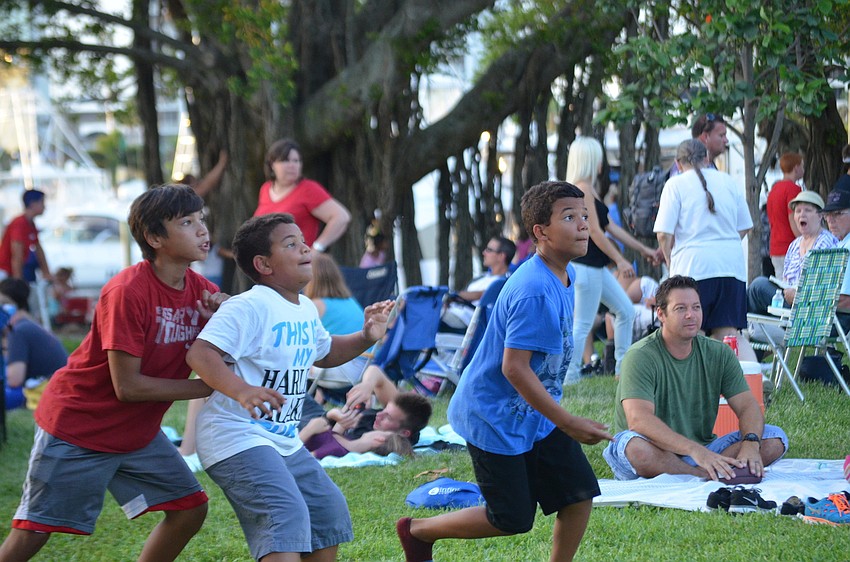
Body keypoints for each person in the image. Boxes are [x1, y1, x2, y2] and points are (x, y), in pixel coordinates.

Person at [0, 184, 225, 561]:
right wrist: (208, 387)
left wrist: (223, 320)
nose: (202, 230)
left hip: (134, 434)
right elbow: (128, 386)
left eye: (201, 220)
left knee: (189, 507)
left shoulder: (204, 292)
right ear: (154, 237)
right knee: (35, 529)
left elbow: (226, 351)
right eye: (187, 222)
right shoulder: (127, 291)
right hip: (79, 426)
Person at [395, 181, 613, 562]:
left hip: (536, 413)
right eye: (569, 217)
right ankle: (418, 531)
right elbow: (514, 368)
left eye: (584, 216)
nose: (583, 225)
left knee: (578, 493)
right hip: (493, 414)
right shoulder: (533, 289)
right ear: (540, 233)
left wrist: (558, 419)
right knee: (511, 517)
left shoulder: (565, 275)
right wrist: (567, 421)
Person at [185, 212, 394, 562]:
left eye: (303, 241)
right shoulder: (249, 305)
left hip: (282, 440)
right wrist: (242, 391)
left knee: (328, 511)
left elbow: (325, 353)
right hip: (236, 436)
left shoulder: (305, 310)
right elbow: (201, 354)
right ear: (263, 264)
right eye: (291, 244)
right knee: (285, 514)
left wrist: (365, 336)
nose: (305, 248)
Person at [602, 275, 788, 481]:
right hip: (653, 448)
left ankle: (700, 472)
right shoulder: (641, 355)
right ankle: (703, 474)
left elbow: (747, 406)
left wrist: (751, 444)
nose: (691, 315)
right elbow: (639, 421)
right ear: (661, 314)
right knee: (633, 447)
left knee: (775, 438)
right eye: (680, 308)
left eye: (696, 307)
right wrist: (694, 451)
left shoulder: (719, 353)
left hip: (705, 449)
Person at [564, 136, 661, 383]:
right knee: (582, 324)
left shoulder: (589, 188)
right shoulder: (582, 189)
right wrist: (620, 260)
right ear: (589, 160)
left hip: (595, 269)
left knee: (625, 311)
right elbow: (595, 231)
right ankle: (570, 377)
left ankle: (623, 370)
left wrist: (644, 250)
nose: (602, 163)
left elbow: (611, 227)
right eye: (598, 158)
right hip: (586, 268)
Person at [655, 139, 756, 360]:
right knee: (730, 335)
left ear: (677, 164)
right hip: (731, 268)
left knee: (691, 335)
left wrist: (671, 262)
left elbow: (663, 233)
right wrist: (724, 244)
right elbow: (746, 225)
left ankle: (696, 389)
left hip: (693, 268)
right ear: (707, 158)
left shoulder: (675, 184)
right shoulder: (728, 181)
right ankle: (755, 380)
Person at [254, 138, 351, 252]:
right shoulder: (265, 188)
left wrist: (317, 248)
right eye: (285, 160)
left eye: (296, 161)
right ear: (272, 164)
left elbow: (342, 217)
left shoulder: (308, 189)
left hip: (297, 263)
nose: (292, 165)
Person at [748, 191, 836, 315]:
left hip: (809, 309)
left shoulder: (827, 243)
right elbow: (785, 280)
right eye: (798, 211)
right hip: (789, 302)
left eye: (808, 210)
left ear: (820, 215)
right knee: (756, 288)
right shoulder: (794, 245)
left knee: (758, 286)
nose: (802, 215)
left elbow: (825, 287)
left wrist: (798, 294)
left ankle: (735, 328)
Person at [305, 252, 372, 403]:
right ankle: (319, 398)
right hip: (365, 367)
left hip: (345, 370)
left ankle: (308, 404)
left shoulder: (316, 305)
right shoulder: (350, 300)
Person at [299, 390, 429, 460]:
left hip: (299, 429)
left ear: (379, 439)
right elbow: (334, 434)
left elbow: (297, 458)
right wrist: (338, 415)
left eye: (387, 417)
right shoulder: (347, 441)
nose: (378, 415)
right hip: (316, 416)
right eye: (382, 410)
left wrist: (309, 430)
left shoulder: (338, 450)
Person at [0, 278, 67, 410]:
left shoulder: (18, 331)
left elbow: (14, 380)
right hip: (57, 389)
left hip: (46, 392)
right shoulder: (30, 325)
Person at [440, 236, 516, 331]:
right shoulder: (481, 277)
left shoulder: (506, 281)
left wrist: (452, 295)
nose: (484, 253)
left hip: (468, 322)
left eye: (489, 250)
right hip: (454, 313)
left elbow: (484, 295)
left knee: (428, 314)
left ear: (501, 256)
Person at [0, 189, 51, 282]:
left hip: (15, 271)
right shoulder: (19, 223)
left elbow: (39, 249)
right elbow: (16, 254)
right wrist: (18, 280)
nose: (45, 207)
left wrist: (47, 273)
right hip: (5, 272)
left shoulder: (31, 224)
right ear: (32, 204)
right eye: (42, 202)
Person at [766, 153, 804, 275]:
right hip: (790, 247)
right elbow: (794, 218)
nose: (803, 169)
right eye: (802, 166)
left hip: (775, 247)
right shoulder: (793, 189)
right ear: (796, 168)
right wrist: (804, 240)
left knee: (781, 285)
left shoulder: (774, 189)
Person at [819, 188, 850, 332]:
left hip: (834, 319)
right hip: (828, 316)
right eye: (827, 214)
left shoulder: (847, 248)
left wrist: (806, 301)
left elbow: (846, 301)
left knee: (758, 289)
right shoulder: (840, 244)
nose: (830, 220)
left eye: (837, 214)